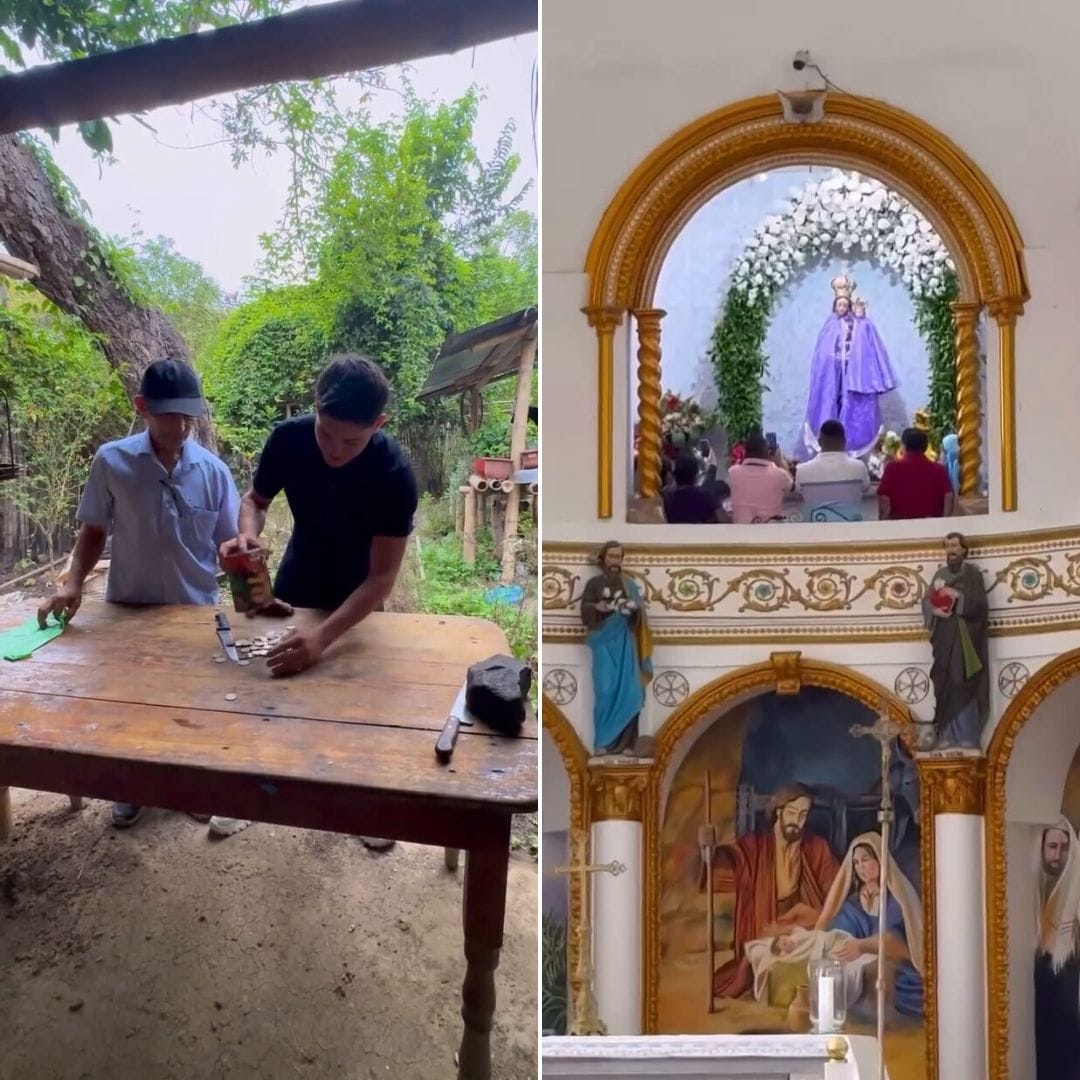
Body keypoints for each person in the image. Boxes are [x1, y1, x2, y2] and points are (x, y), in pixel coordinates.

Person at [38, 359, 250, 837]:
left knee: (193, 707)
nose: (181, 426)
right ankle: (131, 788)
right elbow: (94, 529)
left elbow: (230, 542)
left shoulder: (213, 472)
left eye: (188, 416)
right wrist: (72, 582)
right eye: (170, 415)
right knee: (128, 707)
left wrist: (250, 585)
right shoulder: (112, 462)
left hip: (194, 610)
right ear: (143, 408)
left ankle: (191, 787)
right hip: (128, 608)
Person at [220, 353, 418, 851]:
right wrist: (247, 540)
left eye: (351, 440)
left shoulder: (395, 474)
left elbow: (382, 577)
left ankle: (360, 807)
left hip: (358, 598)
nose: (334, 449)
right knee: (269, 694)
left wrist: (325, 637)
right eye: (326, 434)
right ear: (314, 408)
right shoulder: (289, 438)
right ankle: (254, 798)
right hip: (297, 576)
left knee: (355, 706)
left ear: (379, 423)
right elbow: (255, 502)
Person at [700, 783, 840, 999]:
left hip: (804, 926)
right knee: (760, 956)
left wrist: (809, 918)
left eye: (804, 814)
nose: (797, 821)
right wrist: (708, 851)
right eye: (792, 813)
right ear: (779, 811)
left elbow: (836, 890)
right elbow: (727, 868)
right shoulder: (754, 845)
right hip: (765, 922)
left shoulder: (816, 847)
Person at [815, 832, 925, 1019]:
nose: (860, 868)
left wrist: (862, 946)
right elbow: (839, 932)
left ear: (880, 859)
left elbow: (901, 946)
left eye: (865, 860)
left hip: (904, 976)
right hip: (864, 966)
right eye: (856, 863)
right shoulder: (854, 902)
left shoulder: (899, 899)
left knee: (879, 971)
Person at [799, 278, 899, 460]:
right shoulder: (830, 325)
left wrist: (861, 318)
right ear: (834, 306)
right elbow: (822, 353)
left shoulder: (859, 323)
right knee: (831, 403)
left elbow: (865, 344)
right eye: (840, 305)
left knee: (852, 405)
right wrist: (832, 363)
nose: (842, 308)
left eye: (846, 304)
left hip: (854, 374)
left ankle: (852, 445)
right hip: (834, 374)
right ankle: (829, 444)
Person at [579, 541, 653, 755]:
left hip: (626, 642)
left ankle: (627, 744)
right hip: (603, 640)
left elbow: (640, 616)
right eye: (611, 556)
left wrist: (635, 610)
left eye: (618, 557)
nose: (615, 561)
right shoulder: (594, 584)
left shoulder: (629, 585)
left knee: (631, 692)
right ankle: (603, 741)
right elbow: (585, 609)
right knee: (605, 689)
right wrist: (597, 608)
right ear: (603, 559)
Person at [922, 532, 990, 749]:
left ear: (963, 549)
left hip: (964, 638)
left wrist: (957, 596)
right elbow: (926, 602)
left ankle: (967, 734)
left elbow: (980, 606)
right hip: (943, 635)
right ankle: (947, 734)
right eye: (947, 546)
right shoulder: (940, 573)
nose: (950, 550)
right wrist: (935, 611)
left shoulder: (973, 575)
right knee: (944, 682)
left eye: (954, 546)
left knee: (962, 681)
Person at [1035, 818, 1080, 1079]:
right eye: (1052, 846)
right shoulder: (1031, 891)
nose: (1058, 855)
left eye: (1064, 848)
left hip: (1068, 1007)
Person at [794, 420, 872, 521]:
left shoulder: (802, 471)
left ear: (819, 442)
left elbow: (798, 493)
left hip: (815, 533)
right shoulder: (859, 467)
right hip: (851, 532)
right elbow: (865, 488)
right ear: (844, 441)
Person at [878, 427, 953, 520]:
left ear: (903, 446)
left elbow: (883, 498)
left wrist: (883, 522)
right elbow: (948, 497)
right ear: (925, 447)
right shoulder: (939, 469)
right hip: (932, 526)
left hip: (900, 526)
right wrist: (945, 522)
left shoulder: (892, 467)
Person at [727, 432, 793, 524]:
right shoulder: (779, 475)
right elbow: (792, 487)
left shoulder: (732, 472)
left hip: (741, 532)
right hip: (771, 531)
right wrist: (780, 462)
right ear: (767, 452)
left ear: (745, 452)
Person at [662, 451, 730, 524]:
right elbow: (724, 521)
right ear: (695, 475)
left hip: (676, 534)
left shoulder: (667, 497)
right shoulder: (707, 495)